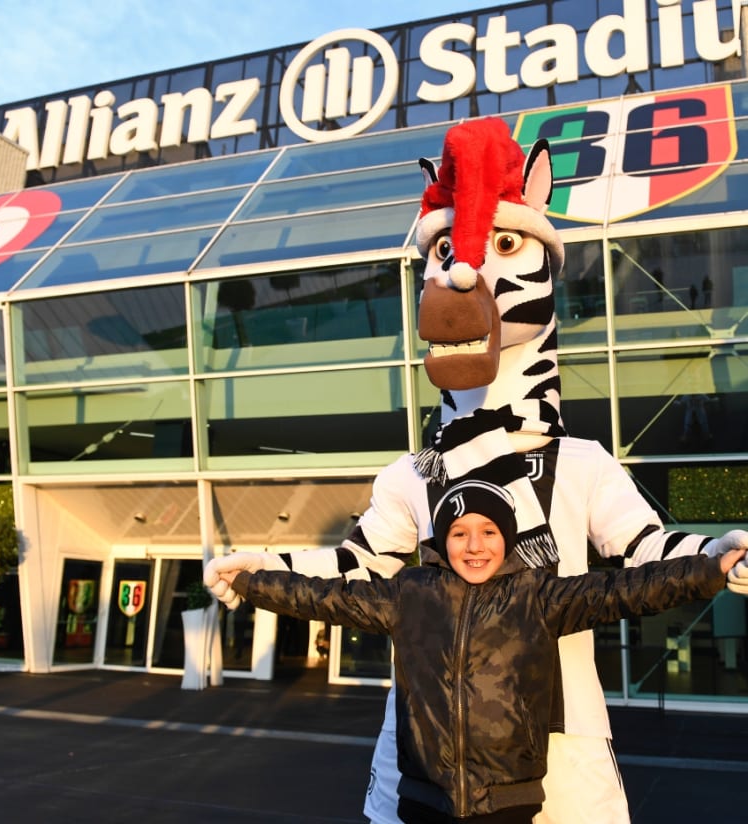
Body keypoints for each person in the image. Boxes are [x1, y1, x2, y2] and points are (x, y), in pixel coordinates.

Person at [205, 119, 748, 824]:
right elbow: (353, 570)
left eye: (504, 244)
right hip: (427, 756)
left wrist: (712, 555)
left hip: (562, 755)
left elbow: (644, 555)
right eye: (443, 249)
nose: (462, 268)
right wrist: (261, 565)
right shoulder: (410, 472)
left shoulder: (580, 464)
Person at [219, 477, 745, 824]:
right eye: (459, 533)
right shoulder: (411, 594)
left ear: (507, 537)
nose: (474, 545)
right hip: (424, 796)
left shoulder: (539, 596)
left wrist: (711, 566)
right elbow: (324, 597)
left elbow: (631, 588)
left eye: (489, 531)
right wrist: (248, 581)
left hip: (509, 802)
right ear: (441, 541)